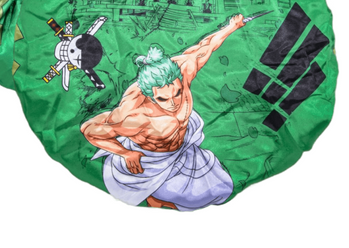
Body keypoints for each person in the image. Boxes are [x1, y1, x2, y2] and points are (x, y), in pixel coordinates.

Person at [81, 14, 246, 210]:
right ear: (149, 96)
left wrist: (232, 26)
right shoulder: (133, 114)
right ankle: (155, 196)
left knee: (220, 187)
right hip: (151, 158)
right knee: (192, 198)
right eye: (163, 99)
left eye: (177, 93)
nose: (173, 103)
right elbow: (89, 129)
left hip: (182, 145)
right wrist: (126, 153)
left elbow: (206, 46)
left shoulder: (183, 70)